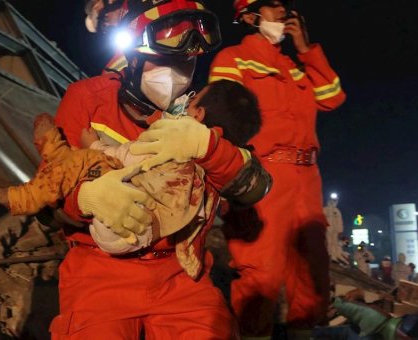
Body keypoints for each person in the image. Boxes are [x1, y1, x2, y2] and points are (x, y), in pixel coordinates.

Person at [50, 0, 271, 338]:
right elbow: (49, 191)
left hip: (182, 274)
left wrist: (207, 147)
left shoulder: (201, 118)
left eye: (187, 63)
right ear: (134, 58)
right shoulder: (87, 98)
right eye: (165, 61)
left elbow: (253, 186)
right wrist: (85, 198)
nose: (177, 74)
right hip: (100, 275)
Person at [0, 81, 263, 279]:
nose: (184, 98)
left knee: (78, 163)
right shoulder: (92, 95)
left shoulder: (177, 133)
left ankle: (35, 174)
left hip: (124, 233)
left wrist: (95, 147)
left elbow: (131, 155)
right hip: (127, 253)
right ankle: (51, 156)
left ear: (198, 113)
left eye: (193, 98)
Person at [208, 0, 346, 336]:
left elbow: (332, 97)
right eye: (272, 6)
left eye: (284, 6)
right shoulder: (232, 59)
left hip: (307, 178)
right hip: (264, 175)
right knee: (261, 273)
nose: (282, 12)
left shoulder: (294, 65)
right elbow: (222, 118)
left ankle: (303, 332)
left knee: (312, 270)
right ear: (249, 16)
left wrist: (306, 49)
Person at [324, 194, 348, 265]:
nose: (333, 201)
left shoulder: (337, 211)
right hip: (327, 229)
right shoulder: (324, 210)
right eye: (331, 200)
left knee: (334, 244)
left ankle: (333, 257)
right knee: (328, 242)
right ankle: (328, 255)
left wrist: (340, 231)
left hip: (335, 231)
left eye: (334, 200)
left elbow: (340, 222)